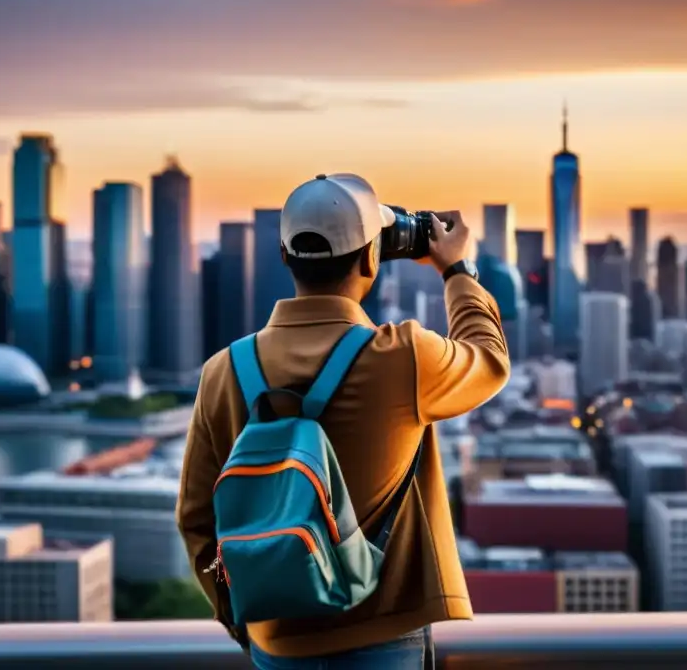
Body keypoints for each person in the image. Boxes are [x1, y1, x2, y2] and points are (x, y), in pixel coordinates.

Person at [177, 173, 510, 669]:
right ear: (372, 257)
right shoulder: (403, 356)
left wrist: (241, 616)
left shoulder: (223, 371)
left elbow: (197, 520)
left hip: (276, 644)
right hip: (384, 634)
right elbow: (489, 359)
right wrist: (457, 270)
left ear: (285, 255)